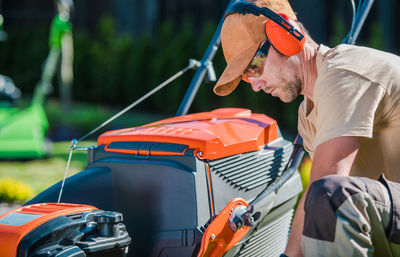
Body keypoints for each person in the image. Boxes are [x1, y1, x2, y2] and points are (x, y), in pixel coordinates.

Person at [213, 0, 400, 256]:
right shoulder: (308, 113)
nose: (255, 84)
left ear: (286, 35)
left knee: (331, 196)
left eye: (254, 66)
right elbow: (315, 198)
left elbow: (328, 190)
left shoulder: (343, 74)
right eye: (247, 77)